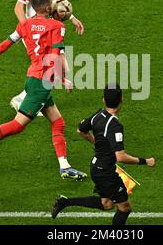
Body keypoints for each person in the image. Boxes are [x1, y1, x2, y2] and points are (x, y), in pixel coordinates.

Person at [0, 0, 87, 181]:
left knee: (58, 123)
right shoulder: (57, 26)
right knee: (18, 125)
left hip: (33, 78)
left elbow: (6, 43)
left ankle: (64, 167)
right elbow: (55, 53)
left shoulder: (24, 24)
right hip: (42, 83)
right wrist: (63, 79)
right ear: (47, 8)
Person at [51, 84, 155, 225]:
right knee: (125, 208)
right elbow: (121, 157)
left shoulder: (97, 116)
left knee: (106, 204)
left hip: (97, 168)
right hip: (105, 172)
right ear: (121, 100)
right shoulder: (115, 126)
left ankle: (65, 202)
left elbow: (81, 130)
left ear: (104, 100)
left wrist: (98, 144)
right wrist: (145, 161)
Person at [11, 0, 85, 112]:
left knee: (51, 65)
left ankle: (25, 98)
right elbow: (18, 7)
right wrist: (26, 30)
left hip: (50, 29)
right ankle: (24, 100)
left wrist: (71, 17)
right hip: (36, 32)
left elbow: (55, 3)